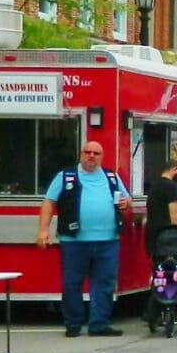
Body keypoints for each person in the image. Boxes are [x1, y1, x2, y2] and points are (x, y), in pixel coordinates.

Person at [37, 138, 132, 338]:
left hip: (108, 241)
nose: (91, 156)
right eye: (87, 152)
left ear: (101, 157)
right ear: (81, 154)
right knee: (72, 283)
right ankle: (73, 324)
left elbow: (127, 198)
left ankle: (99, 324)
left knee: (104, 283)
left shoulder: (111, 177)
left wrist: (126, 202)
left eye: (96, 153)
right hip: (74, 242)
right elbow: (48, 202)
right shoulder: (65, 176)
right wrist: (43, 230)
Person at [143, 157, 177, 253]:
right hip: (167, 237)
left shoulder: (154, 185)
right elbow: (175, 215)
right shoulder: (172, 187)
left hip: (151, 235)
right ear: (175, 170)